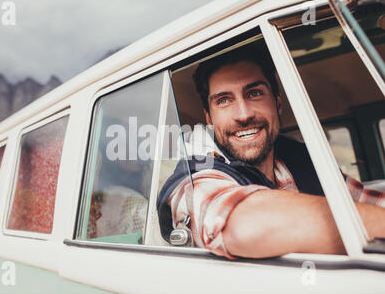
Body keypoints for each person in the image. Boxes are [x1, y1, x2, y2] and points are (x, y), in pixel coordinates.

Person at [158, 48, 385, 259]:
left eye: (255, 93)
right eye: (224, 100)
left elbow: (362, 200)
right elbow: (244, 226)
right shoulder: (196, 174)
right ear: (209, 118)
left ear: (277, 104)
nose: (243, 114)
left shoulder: (303, 157)